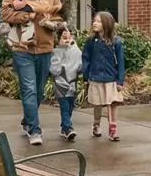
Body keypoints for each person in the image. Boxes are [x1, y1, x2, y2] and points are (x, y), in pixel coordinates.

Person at [1, 0, 63, 145]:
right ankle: (35, 130)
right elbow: (5, 13)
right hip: (22, 48)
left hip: (45, 47)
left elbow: (58, 16)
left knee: (39, 91)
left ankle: (28, 120)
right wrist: (28, 15)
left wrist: (52, 23)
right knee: (29, 89)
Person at [82, 11, 126, 141]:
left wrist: (120, 80)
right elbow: (86, 58)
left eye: (98, 21)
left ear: (107, 24)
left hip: (110, 78)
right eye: (94, 21)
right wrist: (86, 76)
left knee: (112, 104)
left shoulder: (115, 42)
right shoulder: (91, 41)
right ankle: (96, 124)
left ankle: (113, 130)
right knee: (97, 103)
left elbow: (120, 61)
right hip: (95, 78)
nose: (95, 23)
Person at [49, 24, 82, 142]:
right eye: (64, 38)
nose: (67, 40)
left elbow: (80, 63)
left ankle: (64, 127)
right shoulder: (56, 51)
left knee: (70, 106)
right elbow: (54, 69)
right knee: (65, 106)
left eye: (68, 37)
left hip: (72, 82)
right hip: (61, 83)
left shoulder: (76, 50)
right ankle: (68, 128)